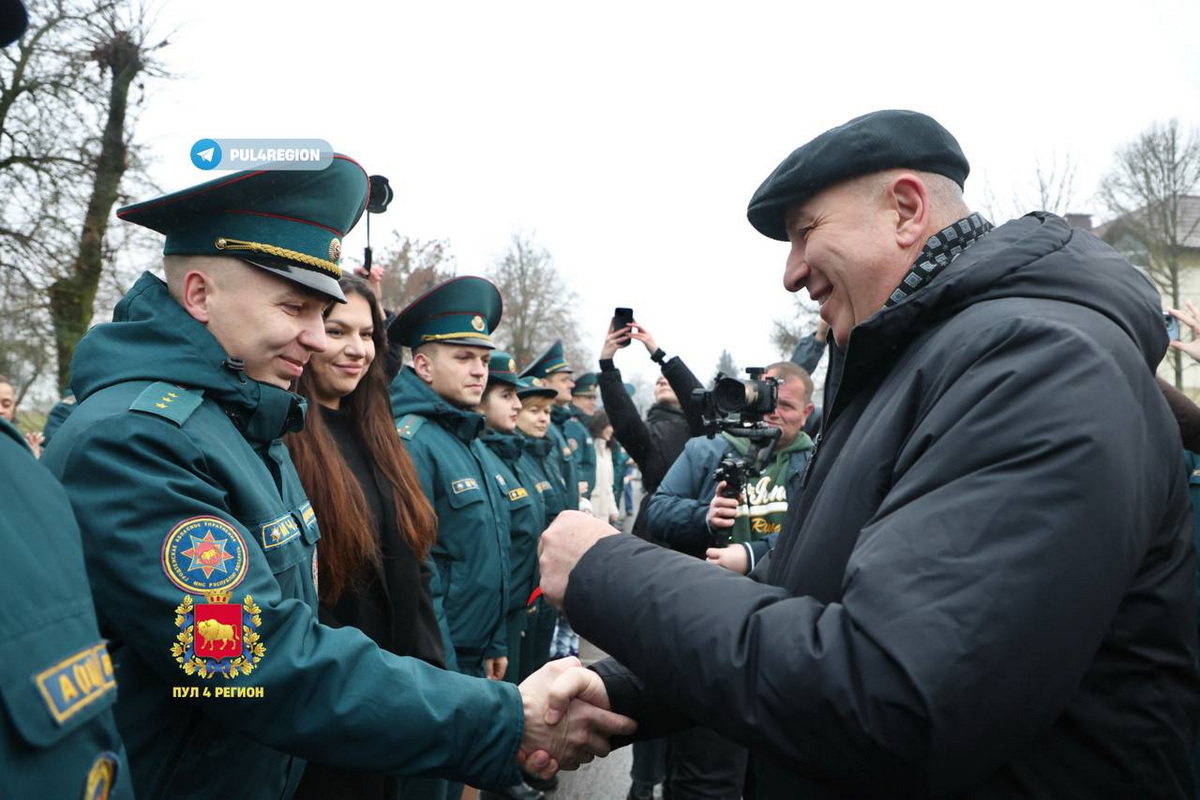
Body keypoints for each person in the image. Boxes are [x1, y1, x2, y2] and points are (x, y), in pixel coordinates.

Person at [534, 109, 1200, 798]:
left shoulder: (1035, 366)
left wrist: (606, 572)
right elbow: (811, 601)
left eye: (806, 232)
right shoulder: (915, 370)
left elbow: (894, 696)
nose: (791, 274)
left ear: (906, 210)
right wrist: (624, 688)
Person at [41, 158, 632, 799]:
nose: (318, 340)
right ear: (200, 294)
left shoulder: (245, 423)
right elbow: (250, 659)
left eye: (321, 313)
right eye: (295, 307)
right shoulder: (135, 438)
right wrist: (500, 718)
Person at [283, 275, 448, 800]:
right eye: (337, 331)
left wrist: (431, 677)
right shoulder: (281, 441)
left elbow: (414, 567)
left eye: (368, 334)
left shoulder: (379, 435)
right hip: (331, 707)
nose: (357, 349)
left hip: (395, 701)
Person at [477, 353, 556, 800]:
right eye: (507, 396)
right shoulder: (486, 453)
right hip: (498, 609)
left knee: (520, 692)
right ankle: (501, 776)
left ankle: (511, 769)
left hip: (526, 598)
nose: (518, 406)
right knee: (500, 698)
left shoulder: (515, 454)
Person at [646, 362, 814, 569]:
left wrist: (753, 555)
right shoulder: (704, 451)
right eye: (767, 401)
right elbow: (656, 512)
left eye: (786, 406)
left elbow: (821, 531)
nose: (774, 412)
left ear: (806, 413)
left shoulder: (816, 461)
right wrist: (705, 516)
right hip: (707, 580)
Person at [597, 320, 703, 541]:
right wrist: (607, 364)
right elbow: (625, 421)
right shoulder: (648, 431)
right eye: (658, 382)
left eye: (667, 380)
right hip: (654, 525)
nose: (662, 382)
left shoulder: (698, 427)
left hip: (695, 520)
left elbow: (699, 402)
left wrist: (659, 355)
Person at [585, 410, 618, 526]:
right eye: (609, 426)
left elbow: (609, 484)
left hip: (604, 512)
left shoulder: (607, 451)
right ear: (600, 426)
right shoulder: (589, 450)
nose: (612, 430)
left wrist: (613, 509)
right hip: (590, 510)